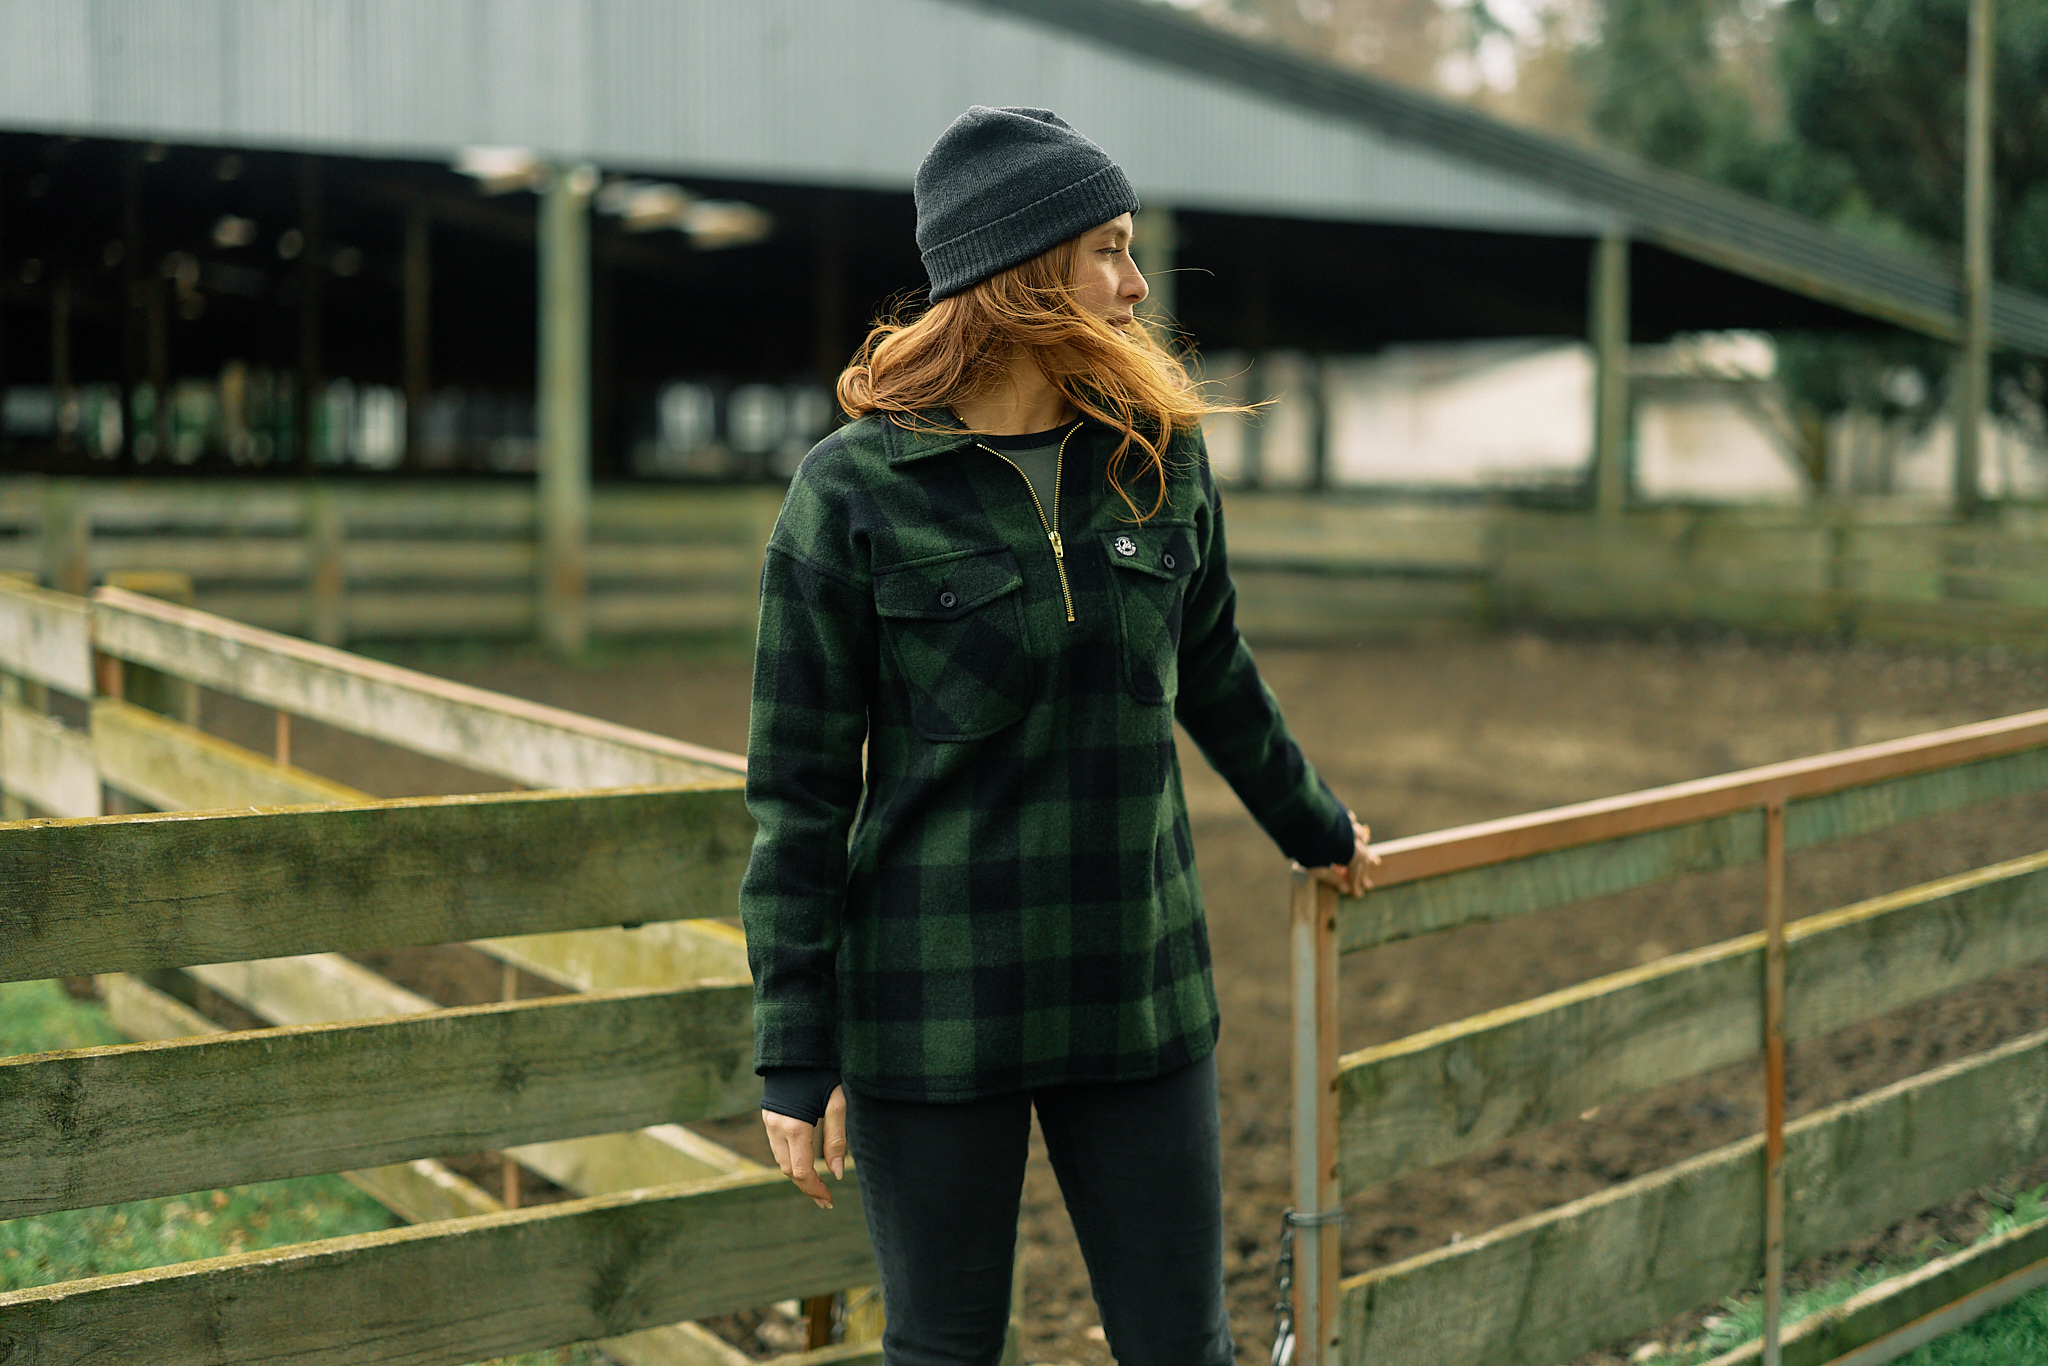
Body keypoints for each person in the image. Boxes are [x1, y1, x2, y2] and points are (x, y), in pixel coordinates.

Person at [740, 105, 1374, 1366]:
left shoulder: (1158, 457)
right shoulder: (849, 492)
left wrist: (1312, 824)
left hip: (1135, 986)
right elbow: (797, 793)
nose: (1136, 286)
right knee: (943, 1350)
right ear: (1020, 269)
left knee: (1180, 1346)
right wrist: (793, 1054)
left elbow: (1212, 668)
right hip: (931, 1000)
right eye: (1108, 250)